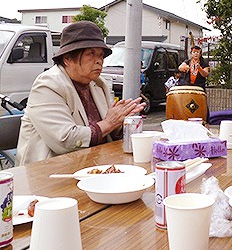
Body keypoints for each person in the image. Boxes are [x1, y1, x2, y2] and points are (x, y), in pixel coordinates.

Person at [16, 21, 145, 165]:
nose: (99, 61)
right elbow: (64, 140)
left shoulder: (99, 84)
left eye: (101, 55)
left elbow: (108, 129)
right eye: (91, 54)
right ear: (67, 59)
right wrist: (110, 123)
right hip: (52, 171)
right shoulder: (48, 84)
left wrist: (121, 123)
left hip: (93, 164)